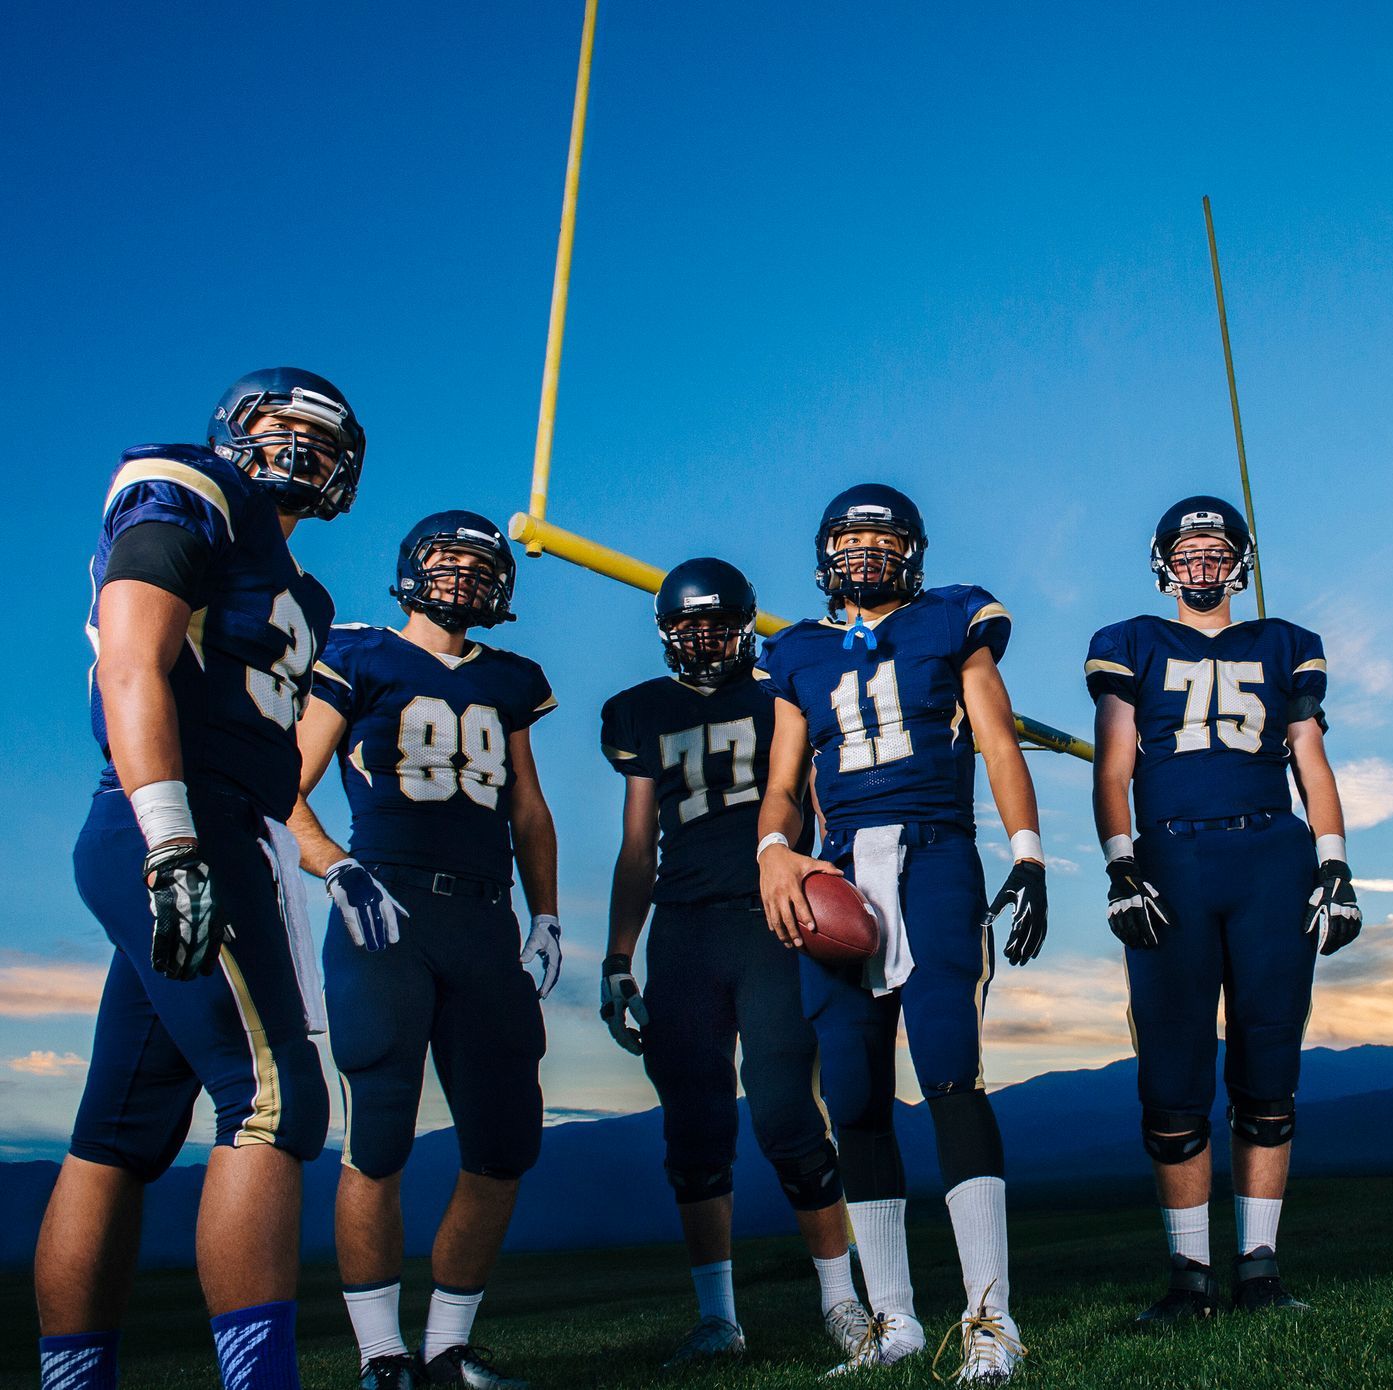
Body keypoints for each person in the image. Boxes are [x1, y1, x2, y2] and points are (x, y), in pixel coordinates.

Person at [39, 368, 364, 1390]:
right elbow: (133, 657)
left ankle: (71, 1381)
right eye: (280, 426)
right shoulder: (186, 485)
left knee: (120, 1131)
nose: (300, 448)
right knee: (275, 1102)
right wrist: (171, 835)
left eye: (322, 437)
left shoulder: (304, 591)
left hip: (222, 827)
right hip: (171, 815)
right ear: (233, 429)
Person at [754, 484, 1047, 1382]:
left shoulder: (951, 619)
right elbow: (782, 778)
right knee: (851, 1096)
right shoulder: (797, 652)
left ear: (913, 552)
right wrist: (774, 851)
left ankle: (992, 1322)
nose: (866, 553)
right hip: (837, 872)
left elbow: (998, 741)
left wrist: (1028, 854)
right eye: (851, 539)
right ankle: (896, 1323)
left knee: (951, 1069)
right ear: (824, 555)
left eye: (883, 539)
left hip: (933, 856)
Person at [289, 512, 560, 1387]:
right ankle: (380, 1357)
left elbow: (527, 808)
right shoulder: (359, 654)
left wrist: (546, 913)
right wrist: (337, 869)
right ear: (410, 567)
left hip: (484, 919)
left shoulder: (513, 678)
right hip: (384, 911)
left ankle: (447, 1347)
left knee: (506, 1138)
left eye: (482, 567)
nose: (464, 578)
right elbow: (283, 786)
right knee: (378, 1137)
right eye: (447, 560)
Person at [1085, 495, 1361, 1321]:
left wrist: (1336, 863)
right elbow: (1112, 767)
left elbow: (1310, 759)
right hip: (1171, 857)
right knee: (1172, 1076)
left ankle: (1261, 1271)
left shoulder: (1286, 645)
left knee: (1269, 1065)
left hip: (1271, 855)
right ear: (1165, 560)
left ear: (1239, 559)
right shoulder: (1129, 641)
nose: (1202, 560)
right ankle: (1189, 1279)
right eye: (1190, 548)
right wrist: (1120, 864)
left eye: (1215, 547)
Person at [599, 557, 868, 1367]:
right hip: (682, 930)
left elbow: (821, 802)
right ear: (665, 632)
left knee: (788, 1113)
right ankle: (718, 1318)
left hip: (775, 922)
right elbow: (637, 846)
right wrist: (617, 958)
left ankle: (842, 1302)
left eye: (717, 625)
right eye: (687, 627)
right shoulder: (640, 712)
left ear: (746, 626)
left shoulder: (778, 688)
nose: (702, 640)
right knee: (696, 1127)